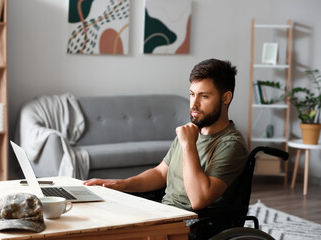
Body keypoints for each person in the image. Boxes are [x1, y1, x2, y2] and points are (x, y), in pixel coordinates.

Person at [83, 59, 248, 214]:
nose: (194, 104)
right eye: (192, 94)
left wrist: (188, 145)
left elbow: (199, 200)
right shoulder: (189, 133)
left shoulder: (231, 144)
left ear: (225, 98)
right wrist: (119, 184)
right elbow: (160, 174)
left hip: (193, 224)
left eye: (204, 96)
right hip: (163, 213)